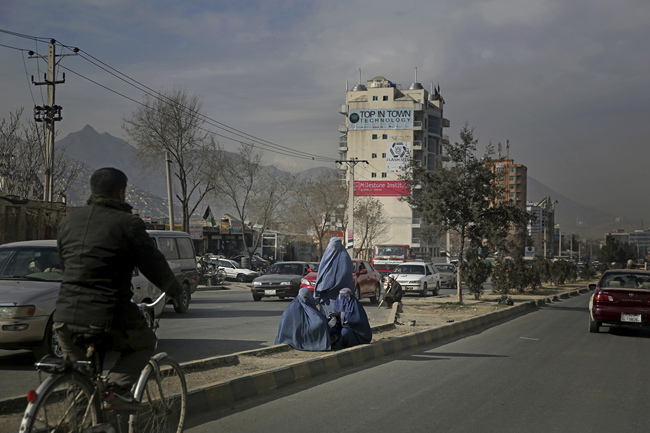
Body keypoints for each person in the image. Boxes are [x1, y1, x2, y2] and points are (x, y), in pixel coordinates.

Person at [53, 167, 181, 411]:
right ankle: (115, 390)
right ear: (121, 193)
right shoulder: (128, 224)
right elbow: (154, 266)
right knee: (144, 343)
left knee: (79, 380)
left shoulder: (69, 221)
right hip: (107, 313)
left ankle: (79, 423)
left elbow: (65, 263)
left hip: (65, 315)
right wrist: (174, 290)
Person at [314, 237, 353, 318]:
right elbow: (321, 272)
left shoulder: (344, 257)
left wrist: (324, 286)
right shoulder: (327, 256)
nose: (332, 248)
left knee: (337, 320)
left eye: (334, 246)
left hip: (338, 295)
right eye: (331, 246)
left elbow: (343, 276)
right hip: (326, 297)